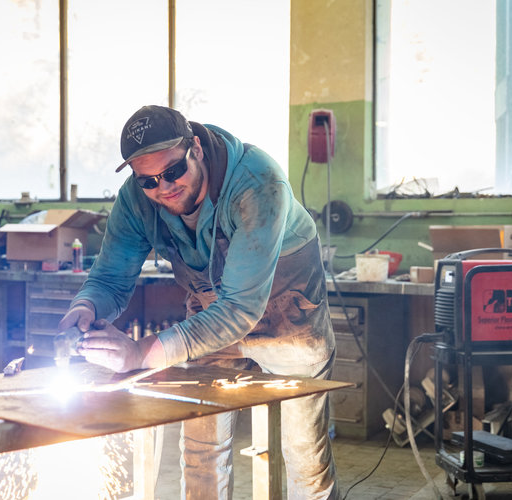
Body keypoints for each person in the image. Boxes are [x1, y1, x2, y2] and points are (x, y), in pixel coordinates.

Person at [58, 105, 337, 499]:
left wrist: (139, 353)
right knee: (201, 440)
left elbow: (240, 308)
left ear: (197, 149)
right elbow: (109, 277)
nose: (164, 187)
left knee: (302, 447)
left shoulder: (258, 184)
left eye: (173, 172)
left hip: (287, 307)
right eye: (149, 181)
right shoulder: (137, 200)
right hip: (211, 314)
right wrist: (84, 308)